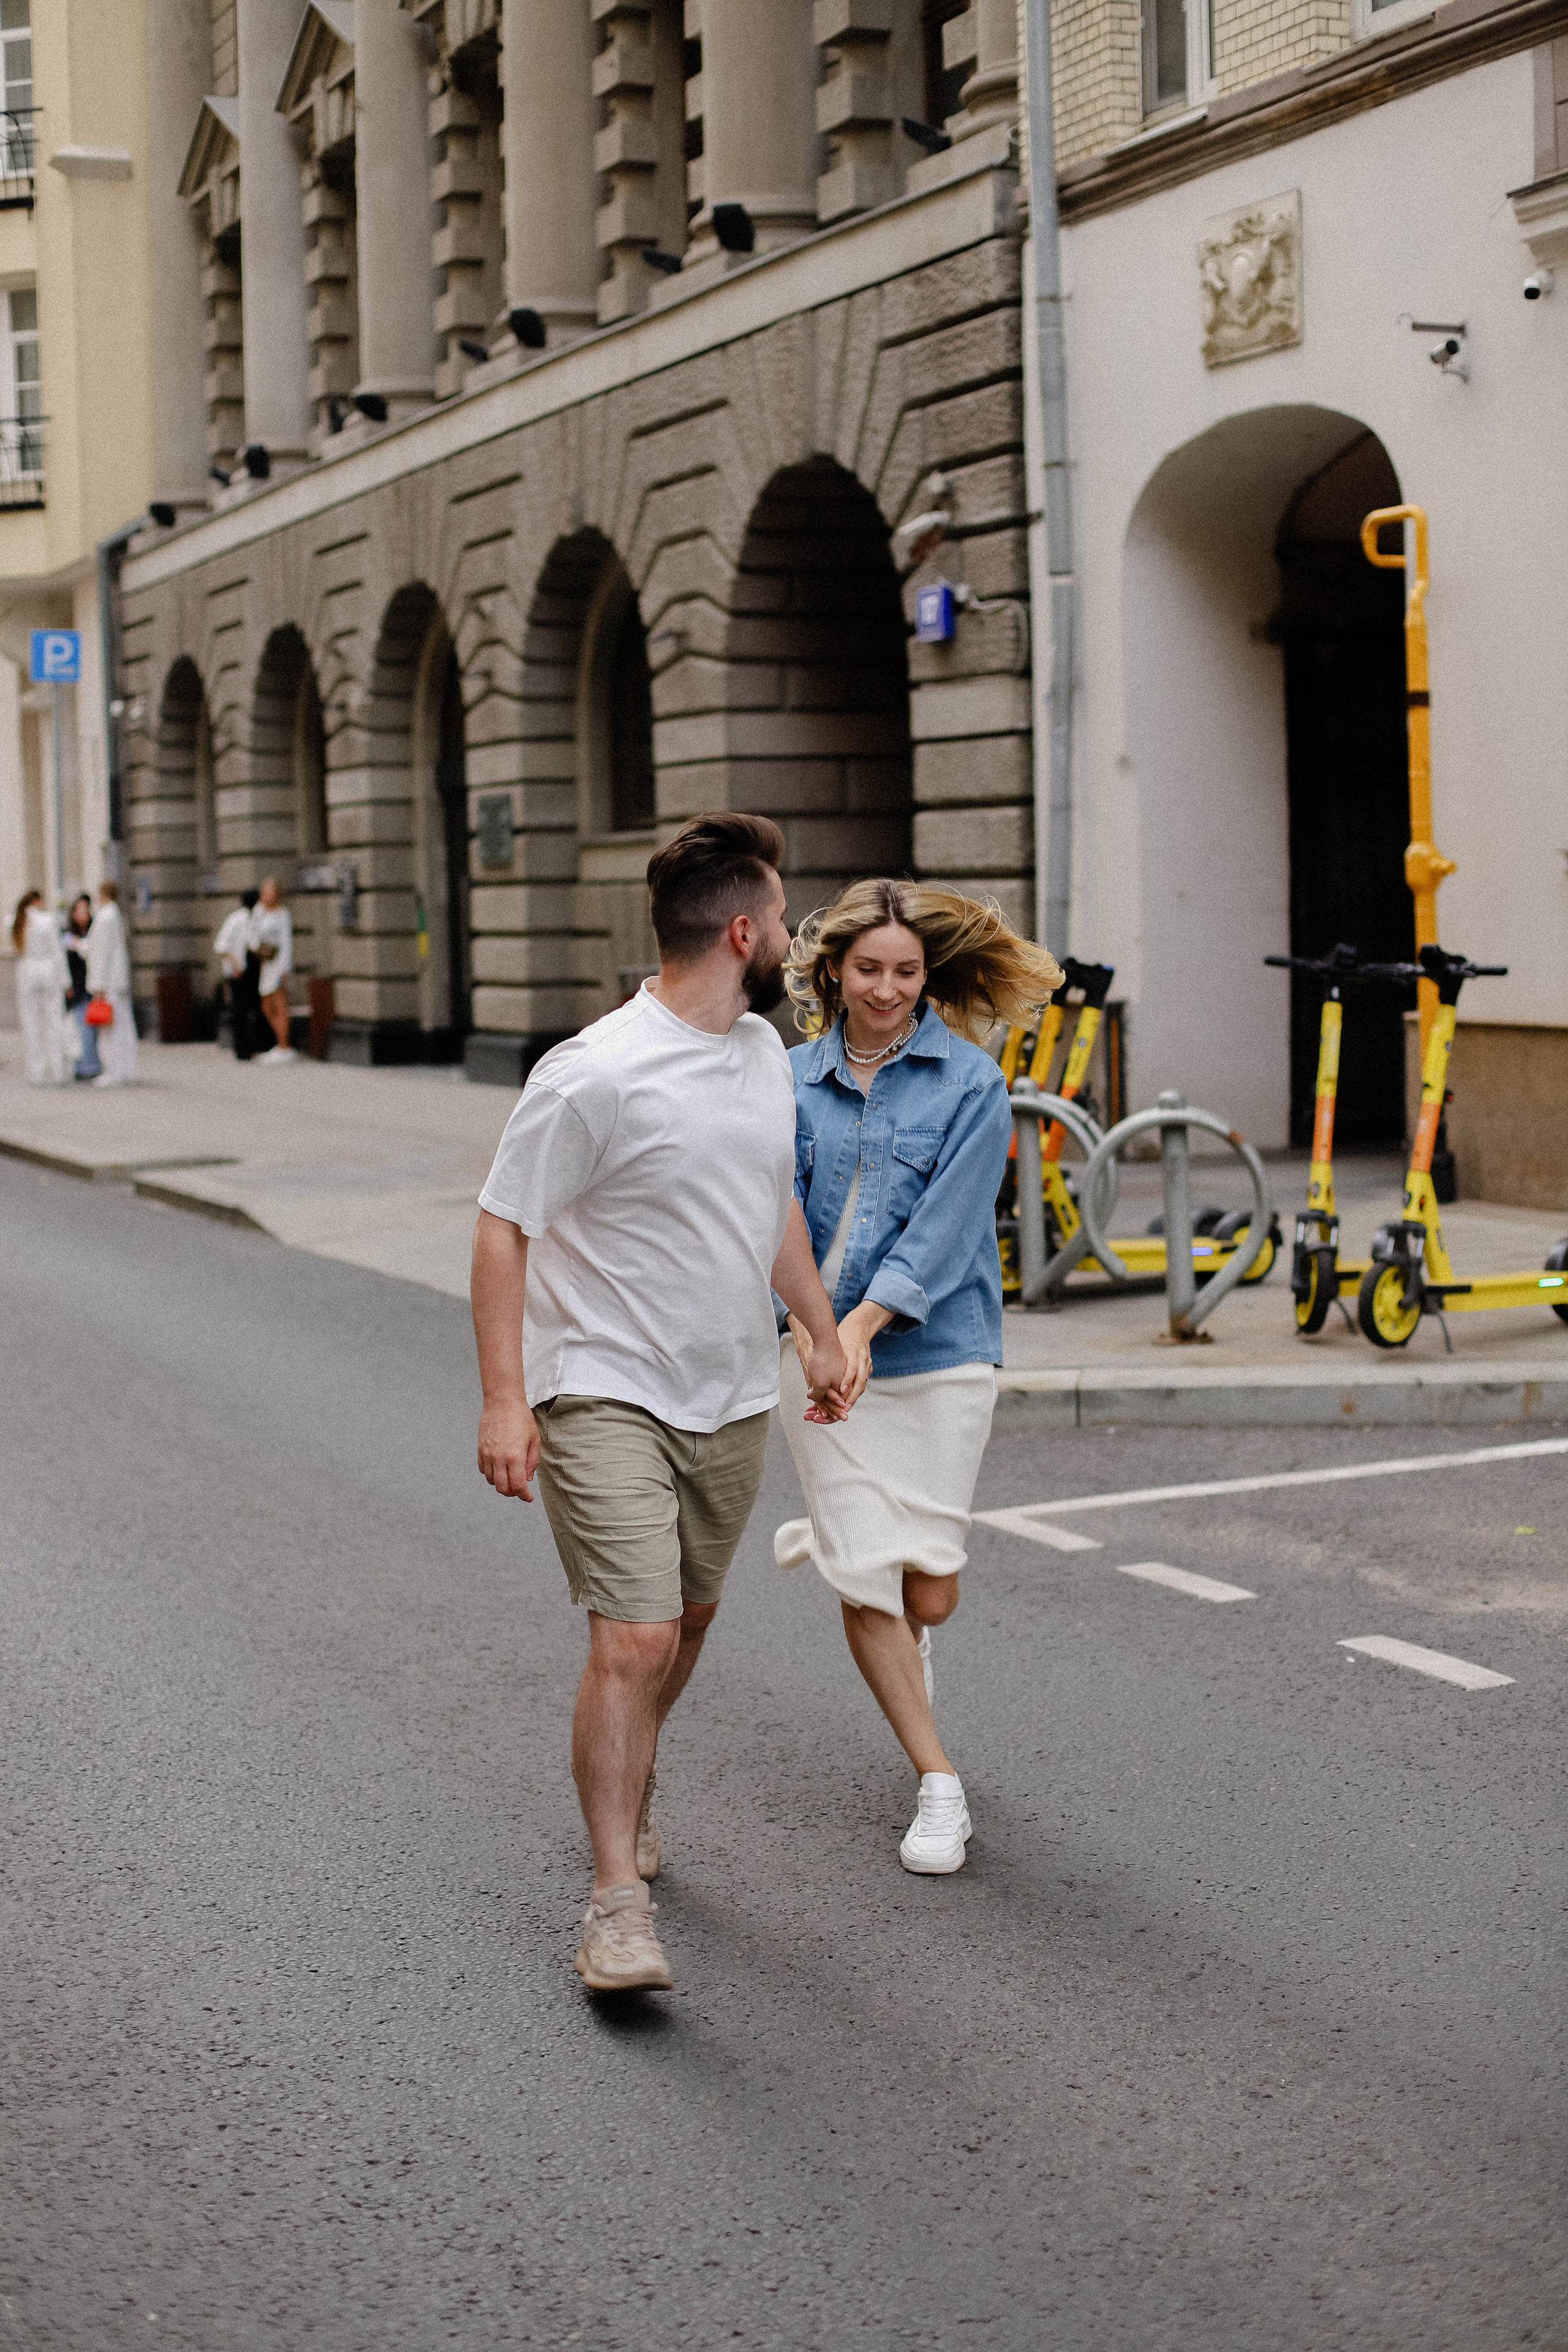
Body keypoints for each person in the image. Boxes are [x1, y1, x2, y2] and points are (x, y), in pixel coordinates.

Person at [471, 812, 851, 1995]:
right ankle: (615, 1905)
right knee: (632, 1639)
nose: (792, 938)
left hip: (728, 1393)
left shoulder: (756, 1058)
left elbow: (771, 1204)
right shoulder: (592, 1073)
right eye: (783, 920)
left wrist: (821, 1327)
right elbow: (502, 1224)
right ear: (743, 930)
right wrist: (505, 1399)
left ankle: (629, 1767)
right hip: (603, 1387)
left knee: (685, 1626)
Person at [774, 880, 1062, 1875]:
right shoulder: (790, 1078)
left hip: (937, 1354)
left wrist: (859, 1325)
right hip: (817, 1361)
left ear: (927, 974)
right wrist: (819, 1333)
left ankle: (866, 1552)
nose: (887, 990)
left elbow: (945, 1231)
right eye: (868, 971)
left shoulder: (971, 1084)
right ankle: (939, 1781)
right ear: (833, 973)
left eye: (905, 972)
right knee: (868, 1585)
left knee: (928, 1596)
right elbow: (776, 1217)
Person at [12, 889, 70, 1086]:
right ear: (37, 901)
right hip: (48, 972)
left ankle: (36, 1073)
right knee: (54, 1022)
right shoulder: (47, 921)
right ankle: (58, 1070)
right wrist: (66, 981)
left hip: (27, 972)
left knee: (31, 1025)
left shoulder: (16, 922)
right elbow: (57, 952)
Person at [84, 879, 138, 1087]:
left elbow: (101, 955)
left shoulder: (105, 918)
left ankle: (113, 1070)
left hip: (108, 982)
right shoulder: (115, 915)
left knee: (109, 1029)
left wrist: (98, 986)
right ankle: (125, 1070)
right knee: (123, 1025)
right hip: (117, 980)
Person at [251, 876, 296, 1064]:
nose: (269, 894)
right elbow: (252, 934)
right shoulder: (259, 911)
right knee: (266, 1006)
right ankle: (280, 1043)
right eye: (266, 890)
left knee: (279, 1004)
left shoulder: (282, 913)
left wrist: (285, 968)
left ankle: (284, 1046)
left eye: (272, 891)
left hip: (278, 964)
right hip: (266, 963)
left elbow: (286, 942)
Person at [216, 888, 261, 1060]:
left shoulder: (254, 919)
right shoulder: (236, 919)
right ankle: (242, 1050)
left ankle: (253, 1047)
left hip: (252, 969)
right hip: (238, 971)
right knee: (239, 1011)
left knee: (253, 1009)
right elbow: (222, 945)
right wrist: (235, 965)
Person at [64, 894, 100, 1079]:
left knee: (92, 1029)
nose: (84, 914)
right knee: (81, 1029)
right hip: (78, 989)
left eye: (86, 910)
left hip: (92, 986)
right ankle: (83, 1067)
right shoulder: (68, 934)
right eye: (80, 911)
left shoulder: (94, 929)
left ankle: (92, 1065)